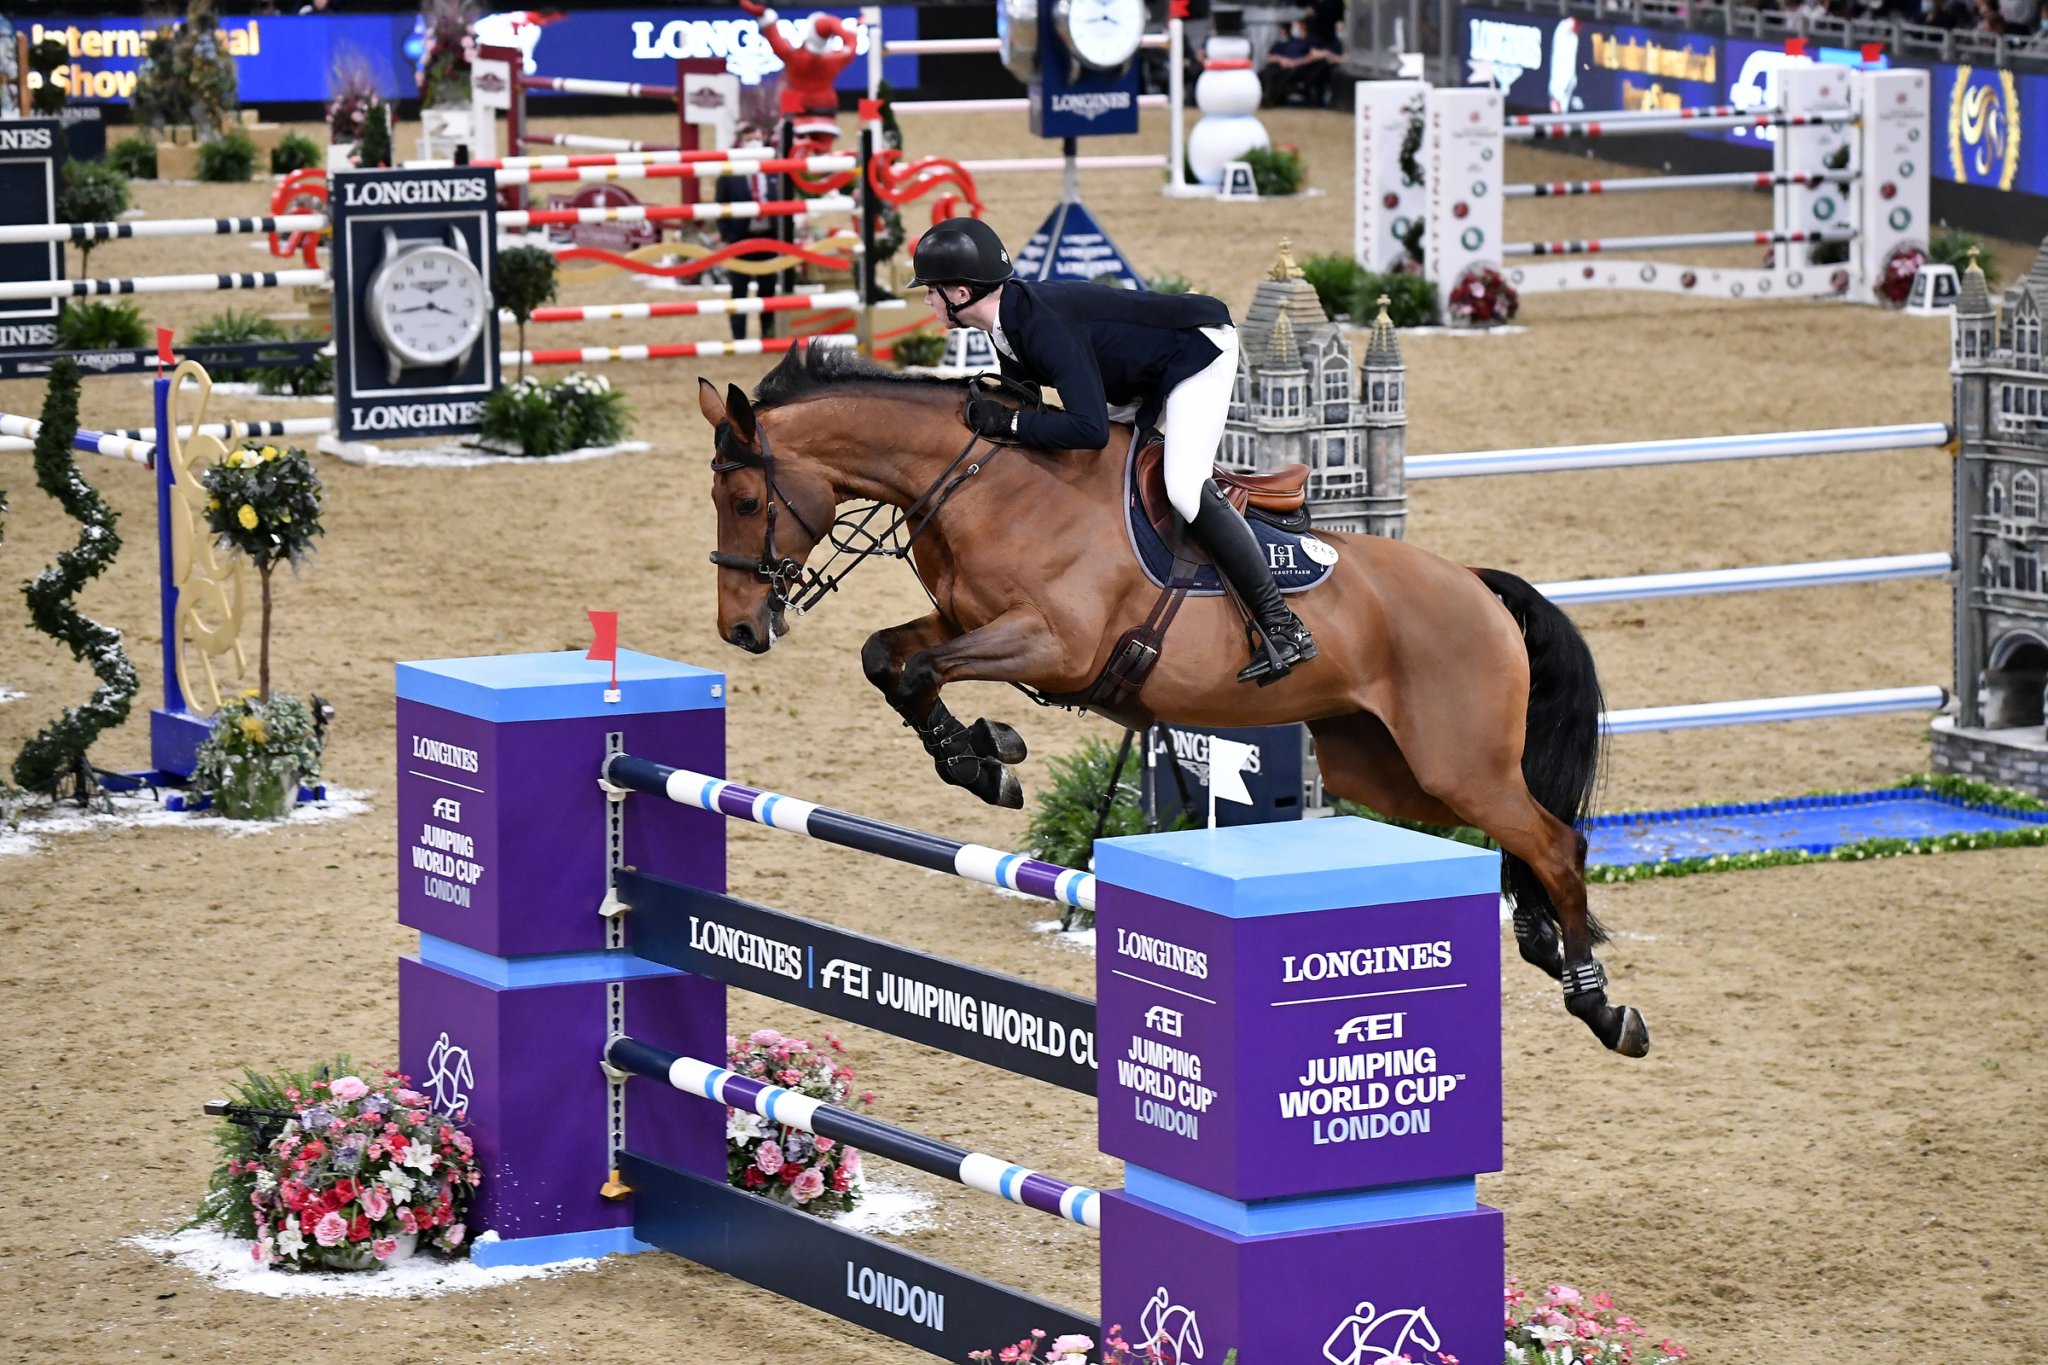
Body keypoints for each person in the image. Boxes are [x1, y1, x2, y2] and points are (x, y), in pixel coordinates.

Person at [907, 218, 1318, 685]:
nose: (926, 299)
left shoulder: (1041, 326)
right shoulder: (1006, 324)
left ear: (960, 294)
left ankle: (1284, 626)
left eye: (931, 290)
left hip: (1195, 354)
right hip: (1134, 377)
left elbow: (1088, 428)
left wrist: (1013, 422)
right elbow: (1024, 403)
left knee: (1183, 486)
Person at [714, 123, 780, 341]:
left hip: (768, 239)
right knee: (739, 291)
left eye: (757, 138)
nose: (754, 143)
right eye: (749, 139)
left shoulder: (773, 170)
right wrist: (725, 236)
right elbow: (720, 206)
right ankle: (739, 336)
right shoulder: (729, 172)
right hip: (740, 239)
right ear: (740, 143)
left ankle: (768, 334)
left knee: (768, 290)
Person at [1260, 19, 1333, 108]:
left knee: (1281, 76)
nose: (1295, 28)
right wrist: (1281, 59)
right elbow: (1271, 57)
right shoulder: (1289, 42)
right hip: (1283, 65)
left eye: (1297, 25)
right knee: (1268, 73)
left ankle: (1274, 99)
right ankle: (1268, 97)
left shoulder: (1311, 41)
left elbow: (1315, 55)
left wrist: (1295, 62)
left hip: (1299, 68)